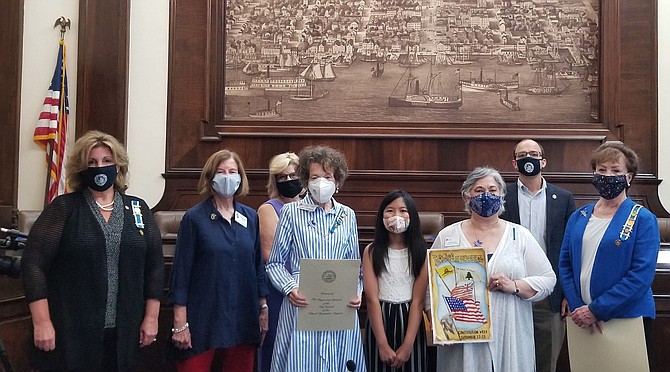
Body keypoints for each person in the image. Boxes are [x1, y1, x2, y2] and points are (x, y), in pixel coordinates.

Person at [21, 130, 165, 371]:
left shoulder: (138, 208)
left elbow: (155, 266)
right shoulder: (64, 208)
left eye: (107, 161)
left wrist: (151, 318)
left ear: (118, 167)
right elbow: (33, 264)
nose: (100, 168)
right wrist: (42, 321)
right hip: (72, 330)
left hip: (125, 331)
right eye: (92, 162)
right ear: (81, 169)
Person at [428, 166, 556, 372]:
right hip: (461, 339)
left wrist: (514, 285)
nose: (486, 195)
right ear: (467, 196)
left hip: (510, 333)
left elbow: (548, 279)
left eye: (493, 190)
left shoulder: (519, 235)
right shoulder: (447, 236)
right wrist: (437, 324)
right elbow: (430, 286)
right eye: (479, 190)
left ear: (502, 196)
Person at [266, 145, 366, 372]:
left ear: (337, 180)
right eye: (315, 177)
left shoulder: (348, 215)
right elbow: (274, 264)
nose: (321, 182)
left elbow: (355, 268)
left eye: (327, 176)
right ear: (305, 180)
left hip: (339, 309)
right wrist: (290, 288)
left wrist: (357, 293)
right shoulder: (291, 213)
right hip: (302, 304)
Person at [169, 149, 268, 372]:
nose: (227, 176)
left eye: (232, 171)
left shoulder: (250, 217)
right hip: (202, 319)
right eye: (221, 171)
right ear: (210, 177)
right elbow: (181, 274)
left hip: (242, 317)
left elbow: (257, 268)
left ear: (240, 177)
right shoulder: (194, 218)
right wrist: (179, 323)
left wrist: (263, 308)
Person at [559, 142, 659, 360]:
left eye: (615, 171)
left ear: (628, 177)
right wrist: (580, 309)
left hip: (627, 318)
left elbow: (641, 275)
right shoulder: (579, 216)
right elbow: (565, 264)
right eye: (601, 170)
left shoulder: (643, 219)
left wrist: (597, 310)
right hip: (582, 319)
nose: (607, 176)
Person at [500, 139, 575, 372]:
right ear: (514, 163)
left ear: (543, 161)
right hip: (508, 289)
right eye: (522, 155)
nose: (528, 158)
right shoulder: (501, 195)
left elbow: (569, 248)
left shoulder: (563, 198)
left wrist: (568, 293)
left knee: (546, 361)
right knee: (509, 361)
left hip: (548, 293)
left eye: (533, 153)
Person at [363, 190, 428, 372]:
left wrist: (408, 345)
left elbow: (418, 301)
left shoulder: (421, 253)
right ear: (382, 216)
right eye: (390, 211)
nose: (396, 216)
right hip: (380, 319)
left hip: (410, 319)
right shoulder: (372, 251)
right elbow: (371, 299)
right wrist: (382, 345)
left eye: (403, 211)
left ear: (412, 216)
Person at [257, 152, 303, 372]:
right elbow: (270, 256)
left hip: (310, 290)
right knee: (279, 349)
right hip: (280, 292)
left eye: (293, 175)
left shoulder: (310, 206)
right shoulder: (269, 209)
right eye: (282, 178)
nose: (288, 181)